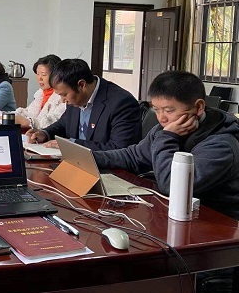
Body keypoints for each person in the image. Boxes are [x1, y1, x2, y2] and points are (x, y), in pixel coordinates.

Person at [93, 71, 239, 220]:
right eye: (156, 109)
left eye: (169, 110)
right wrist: (91, 157)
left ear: (199, 107)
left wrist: (167, 137)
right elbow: (134, 156)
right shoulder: (168, 129)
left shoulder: (222, 144)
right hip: (173, 213)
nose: (161, 118)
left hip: (216, 222)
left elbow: (171, 185)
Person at [27, 58, 141, 150]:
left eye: (64, 95)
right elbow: (64, 124)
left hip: (106, 168)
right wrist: (45, 133)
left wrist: (72, 145)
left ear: (81, 85)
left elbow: (121, 149)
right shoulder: (76, 97)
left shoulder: (121, 103)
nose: (62, 100)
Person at [15, 54, 66, 129]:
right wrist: (10, 116)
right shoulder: (41, 93)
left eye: (43, 75)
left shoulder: (63, 96)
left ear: (56, 75)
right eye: (38, 74)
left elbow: (55, 122)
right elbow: (28, 112)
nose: (40, 78)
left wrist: (28, 122)